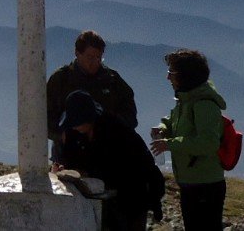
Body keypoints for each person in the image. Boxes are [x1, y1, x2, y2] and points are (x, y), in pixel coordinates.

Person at [56, 90, 163, 231]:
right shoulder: (72, 133)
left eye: (78, 122)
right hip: (99, 201)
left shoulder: (118, 130)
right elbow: (69, 158)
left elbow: (144, 164)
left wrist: (155, 202)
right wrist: (65, 169)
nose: (75, 126)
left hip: (130, 198)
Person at [150, 49, 227, 231]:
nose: (168, 78)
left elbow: (208, 143)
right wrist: (162, 129)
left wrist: (169, 144)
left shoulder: (204, 103)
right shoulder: (186, 98)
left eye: (172, 73)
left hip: (205, 185)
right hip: (192, 181)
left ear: (187, 76)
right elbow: (175, 123)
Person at [47, 30, 137, 164]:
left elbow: (130, 115)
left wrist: (112, 130)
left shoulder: (112, 80)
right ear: (77, 53)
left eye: (99, 58)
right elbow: (43, 115)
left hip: (106, 153)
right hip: (67, 153)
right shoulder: (61, 79)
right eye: (90, 57)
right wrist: (61, 135)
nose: (95, 62)